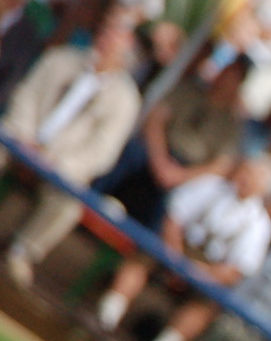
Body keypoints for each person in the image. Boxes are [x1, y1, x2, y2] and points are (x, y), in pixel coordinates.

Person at [0, 18, 140, 288]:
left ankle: (21, 252)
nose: (105, 40)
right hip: (19, 139)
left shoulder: (125, 100)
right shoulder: (61, 58)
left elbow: (102, 152)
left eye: (113, 38)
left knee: (67, 206)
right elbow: (26, 94)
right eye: (105, 32)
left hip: (60, 168)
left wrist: (54, 161)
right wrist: (25, 138)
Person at [97, 154, 271, 333]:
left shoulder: (260, 225)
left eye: (253, 177)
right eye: (246, 171)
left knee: (208, 302)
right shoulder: (211, 185)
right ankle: (108, 313)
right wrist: (175, 254)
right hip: (176, 249)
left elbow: (234, 271)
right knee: (146, 253)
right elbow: (174, 217)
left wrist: (198, 273)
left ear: (264, 188)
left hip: (207, 272)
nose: (245, 178)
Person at [95, 56, 247, 230]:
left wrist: (179, 176)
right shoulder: (188, 91)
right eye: (226, 72)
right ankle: (89, 199)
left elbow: (220, 166)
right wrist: (160, 160)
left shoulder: (231, 124)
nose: (226, 80)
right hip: (159, 151)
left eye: (233, 77)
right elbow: (155, 120)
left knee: (177, 204)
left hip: (187, 171)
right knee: (131, 152)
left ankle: (139, 250)